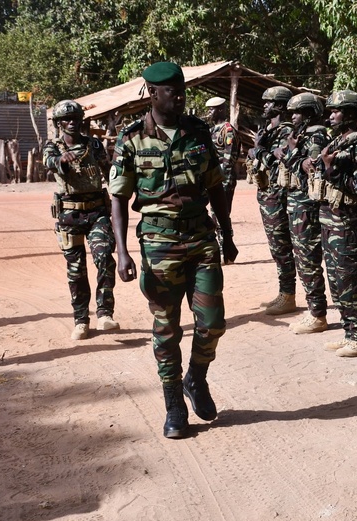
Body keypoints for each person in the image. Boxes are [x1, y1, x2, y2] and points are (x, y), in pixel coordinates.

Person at [109, 61, 238, 439]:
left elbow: (215, 185)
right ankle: (173, 404)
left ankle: (195, 379)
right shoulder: (132, 138)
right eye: (172, 91)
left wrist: (227, 233)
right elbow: (118, 197)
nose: (180, 97)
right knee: (167, 327)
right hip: (158, 243)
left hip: (201, 238)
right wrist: (121, 251)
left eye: (182, 90)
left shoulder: (198, 131)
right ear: (153, 93)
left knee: (212, 322)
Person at [43, 99, 119, 341]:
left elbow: (110, 171)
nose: (71, 123)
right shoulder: (52, 146)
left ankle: (105, 313)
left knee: (104, 257)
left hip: (97, 212)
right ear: (58, 123)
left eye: (76, 119)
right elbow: (50, 162)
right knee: (76, 271)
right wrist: (60, 161)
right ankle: (81, 320)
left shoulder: (94, 145)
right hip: (69, 216)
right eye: (66, 119)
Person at [316, 90, 357, 357]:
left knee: (349, 279)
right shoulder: (337, 141)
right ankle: (349, 332)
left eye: (336, 111)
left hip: (345, 220)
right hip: (328, 218)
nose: (331, 115)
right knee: (337, 281)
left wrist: (331, 171)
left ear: (350, 113)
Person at [279, 92, 331, 334]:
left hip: (306, 205)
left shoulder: (316, 135)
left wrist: (290, 152)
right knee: (302, 256)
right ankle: (315, 309)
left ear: (309, 113)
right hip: (297, 203)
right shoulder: (302, 135)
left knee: (308, 257)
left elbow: (311, 168)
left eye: (297, 112)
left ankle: (317, 314)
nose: (293, 116)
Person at [247, 86, 297, 315]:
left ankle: (288, 295)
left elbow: (277, 158)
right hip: (268, 195)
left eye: (268, 103)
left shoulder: (287, 130)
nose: (264, 106)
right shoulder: (268, 129)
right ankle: (284, 292)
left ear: (279, 106)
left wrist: (257, 150)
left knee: (282, 246)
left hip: (279, 196)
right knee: (277, 247)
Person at [205, 97, 241, 262]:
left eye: (212, 110)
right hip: (214, 179)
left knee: (222, 215)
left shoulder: (228, 130)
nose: (209, 113)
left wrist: (220, 179)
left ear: (220, 109)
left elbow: (229, 158)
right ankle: (221, 249)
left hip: (223, 179)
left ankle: (227, 250)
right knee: (214, 215)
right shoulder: (213, 130)